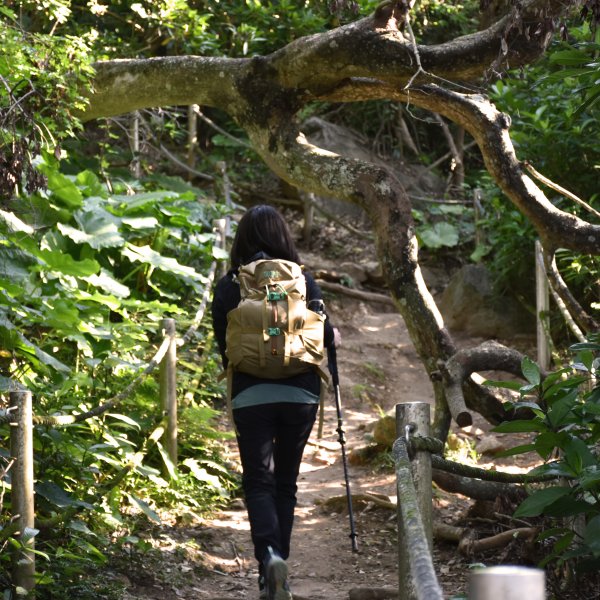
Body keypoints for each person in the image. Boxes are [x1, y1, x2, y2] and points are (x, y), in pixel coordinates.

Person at [211, 204, 339, 600]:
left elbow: (224, 346)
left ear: (241, 240)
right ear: (284, 237)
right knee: (286, 483)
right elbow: (325, 338)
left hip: (250, 395)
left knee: (257, 482)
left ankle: (268, 561)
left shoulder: (230, 286)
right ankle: (278, 564)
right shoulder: (303, 281)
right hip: (300, 394)